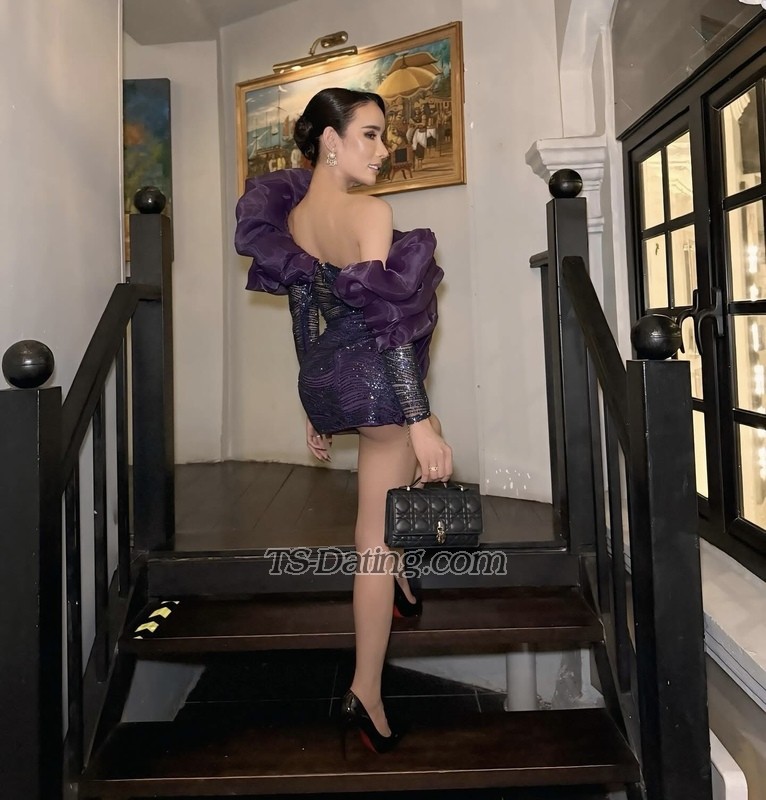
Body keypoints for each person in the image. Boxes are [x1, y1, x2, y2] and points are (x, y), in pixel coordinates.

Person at [234, 87, 452, 754]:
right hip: (377, 378)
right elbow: (389, 324)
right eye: (371, 134)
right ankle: (366, 690)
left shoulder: (294, 221)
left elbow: (306, 315)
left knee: (385, 513)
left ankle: (400, 577)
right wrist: (418, 419)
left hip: (327, 374)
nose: (384, 149)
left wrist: (314, 402)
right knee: (375, 539)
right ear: (330, 140)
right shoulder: (371, 213)